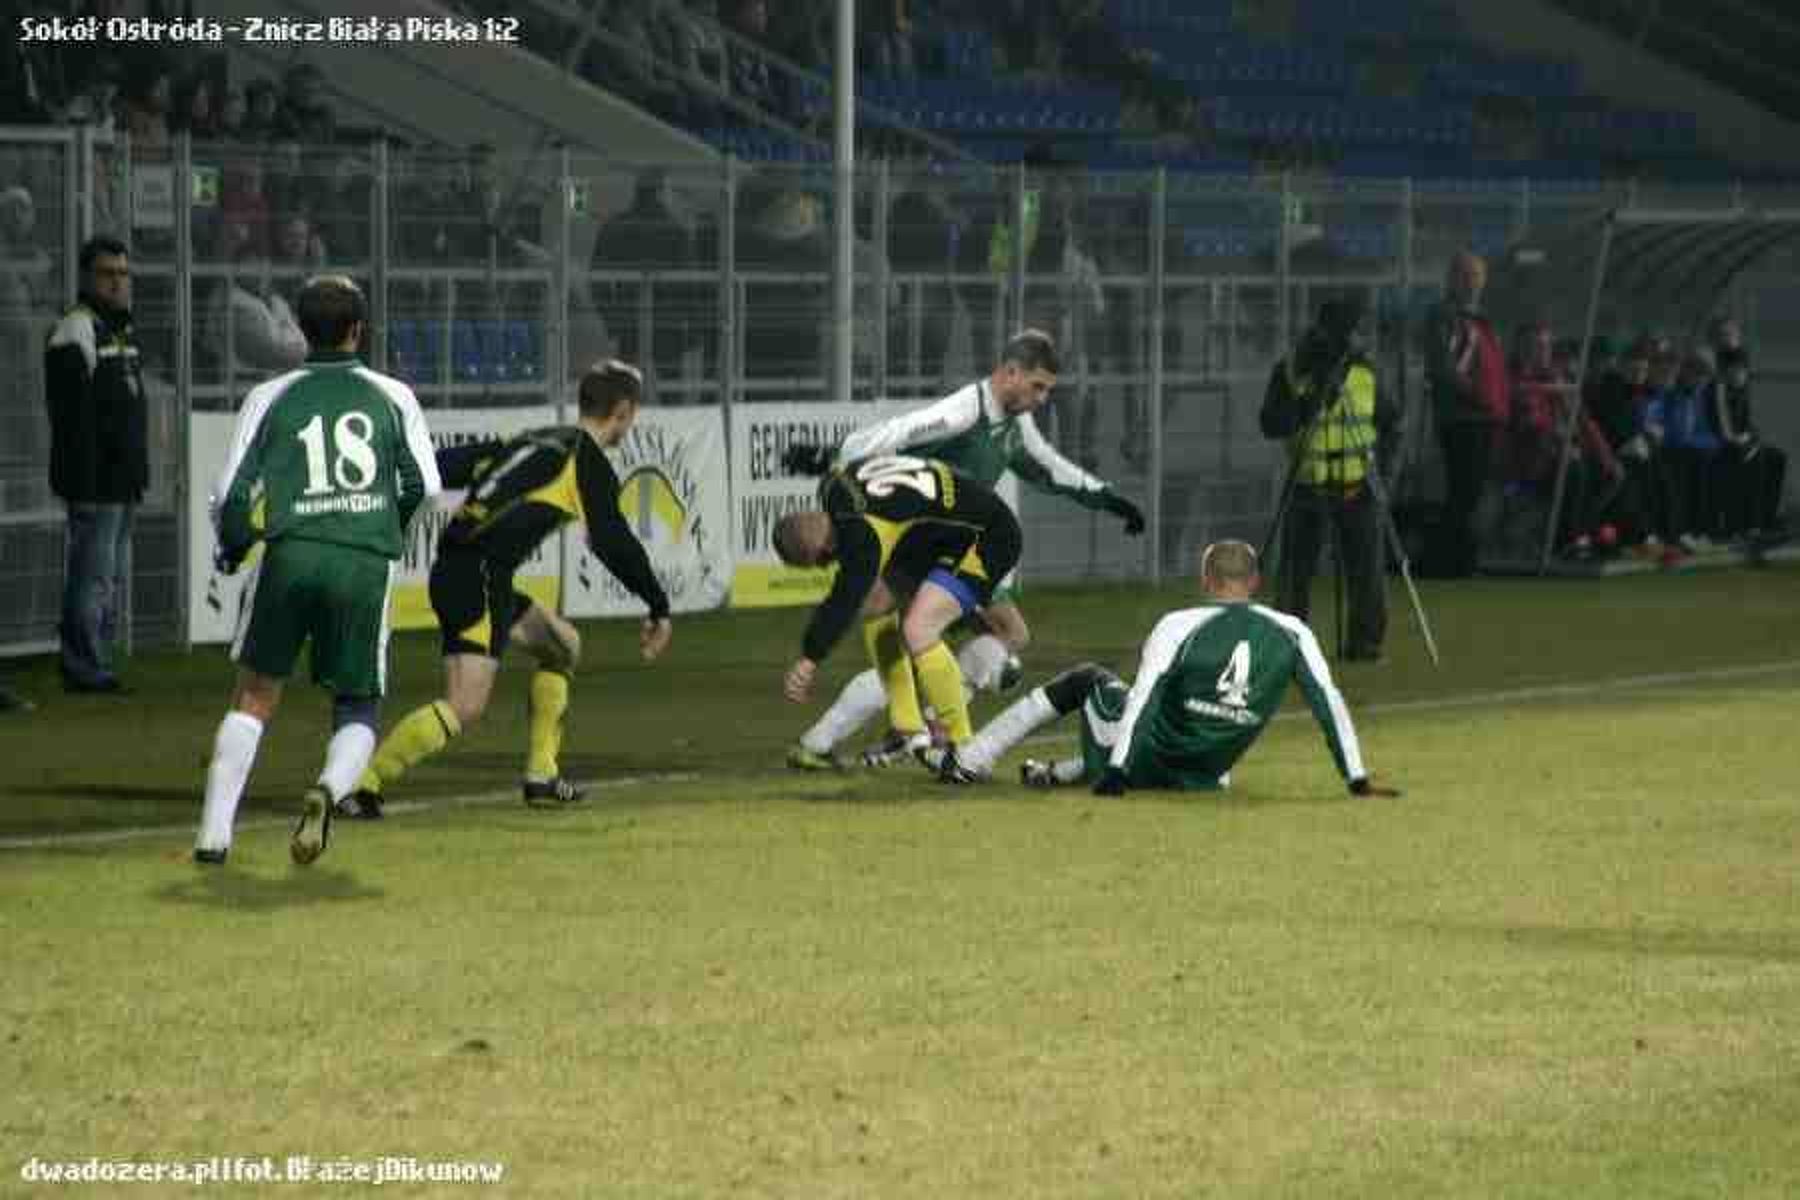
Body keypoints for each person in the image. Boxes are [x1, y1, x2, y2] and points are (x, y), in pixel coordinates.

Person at [783, 329, 1146, 769]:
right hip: (930, 541)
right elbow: (899, 432)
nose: (1043, 398)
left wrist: (1109, 499)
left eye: (1048, 389)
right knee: (974, 633)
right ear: (1010, 373)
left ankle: (882, 731)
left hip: (958, 541)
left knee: (937, 635)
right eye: (1038, 386)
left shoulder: (1015, 429)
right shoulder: (964, 410)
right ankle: (929, 730)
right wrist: (830, 455)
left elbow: (1052, 471)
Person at [342, 360, 673, 819]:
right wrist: (658, 604)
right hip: (475, 576)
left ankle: (541, 776)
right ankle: (362, 785)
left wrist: (381, 479)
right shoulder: (585, 461)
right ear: (622, 411)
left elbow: (452, 465)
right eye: (633, 413)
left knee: (563, 647)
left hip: (476, 573)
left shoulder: (535, 439)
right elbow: (612, 541)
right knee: (466, 704)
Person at [193, 276, 441, 866]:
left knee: (254, 693)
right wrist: (383, 526)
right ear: (359, 330)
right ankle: (328, 791)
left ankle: (213, 836)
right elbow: (425, 488)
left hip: (292, 552)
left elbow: (230, 495)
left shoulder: (272, 394)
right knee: (357, 702)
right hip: (362, 561)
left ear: (302, 331)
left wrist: (234, 545)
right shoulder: (392, 394)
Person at [933, 540, 1401, 799]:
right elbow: (1327, 701)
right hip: (1208, 770)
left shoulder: (1180, 624)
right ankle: (1056, 774)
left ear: (1206, 581)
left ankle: (974, 759)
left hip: (1145, 760)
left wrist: (1117, 773)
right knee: (1128, 711)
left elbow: (1144, 698)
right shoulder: (1294, 631)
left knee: (1089, 680)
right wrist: (1355, 778)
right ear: (1255, 583)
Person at [773, 455, 1024, 765]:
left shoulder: (862, 537)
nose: (827, 566)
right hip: (932, 537)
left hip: (987, 538)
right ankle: (908, 725)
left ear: (822, 551)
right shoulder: (833, 486)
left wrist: (810, 658)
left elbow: (842, 600)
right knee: (877, 602)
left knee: (921, 628)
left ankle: (963, 750)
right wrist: (802, 458)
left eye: (820, 563)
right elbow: (831, 459)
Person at [1259, 296, 1396, 661]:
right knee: (1295, 573)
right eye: (1349, 331)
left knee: (1367, 571)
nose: (1353, 340)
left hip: (1357, 484)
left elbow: (1391, 420)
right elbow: (1270, 423)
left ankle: (1366, 642)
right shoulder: (1294, 369)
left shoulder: (1366, 372)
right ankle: (1287, 645)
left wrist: (1385, 471)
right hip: (1308, 485)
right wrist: (1308, 404)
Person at [45, 235, 146, 694]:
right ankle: (84, 665)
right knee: (93, 576)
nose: (117, 283)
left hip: (120, 479)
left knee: (109, 577)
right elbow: (71, 417)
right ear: (87, 277)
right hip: (95, 480)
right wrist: (84, 479)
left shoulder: (120, 331)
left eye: (123, 274)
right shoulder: (76, 329)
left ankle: (96, 660)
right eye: (108, 274)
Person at [1424, 251, 1508, 577]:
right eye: (1466, 275)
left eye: (1477, 276)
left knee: (1471, 492)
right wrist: (1478, 394)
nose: (1472, 283)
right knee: (1463, 491)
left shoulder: (1480, 319)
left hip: (1482, 416)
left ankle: (1462, 558)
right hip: (1462, 417)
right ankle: (1452, 560)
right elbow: (1443, 367)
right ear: (1452, 279)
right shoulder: (1445, 316)